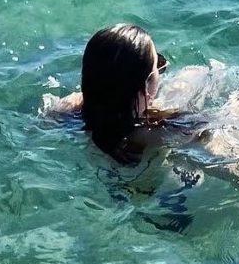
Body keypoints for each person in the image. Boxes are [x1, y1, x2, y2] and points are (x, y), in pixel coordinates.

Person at [43, 23, 195, 164]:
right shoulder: (161, 132)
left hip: (108, 177)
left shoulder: (68, 109)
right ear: (143, 88)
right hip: (165, 190)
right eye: (159, 66)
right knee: (189, 77)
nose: (161, 71)